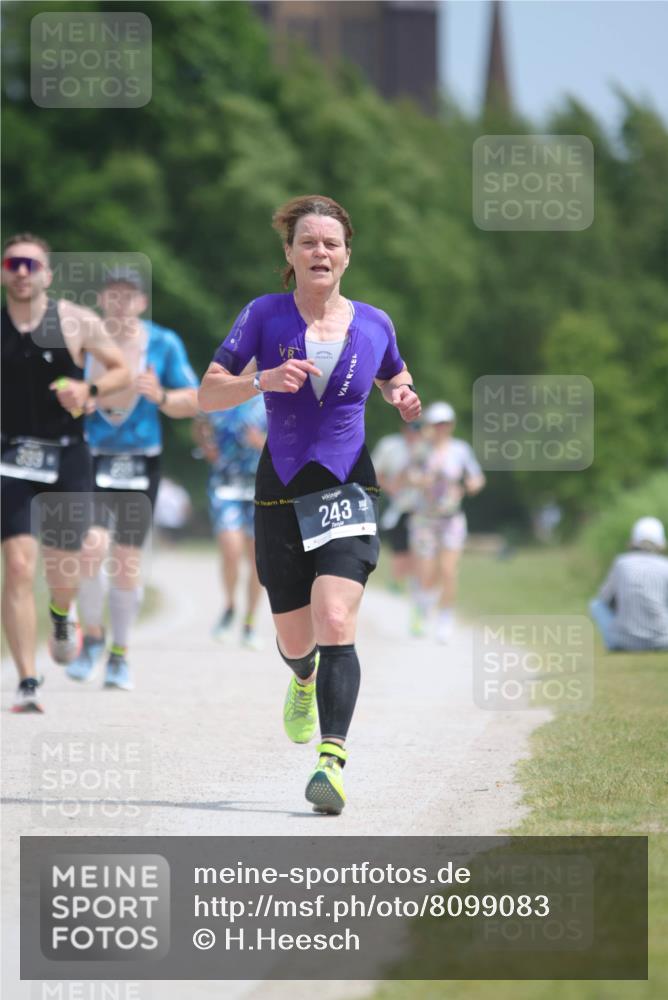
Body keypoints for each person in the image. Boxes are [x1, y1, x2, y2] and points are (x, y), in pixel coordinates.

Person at [199, 194, 421, 814]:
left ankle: (331, 762)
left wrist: (403, 396)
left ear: (347, 255)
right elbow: (208, 394)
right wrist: (261, 380)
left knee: (336, 617)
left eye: (331, 243)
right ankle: (302, 678)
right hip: (280, 485)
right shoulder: (263, 315)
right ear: (290, 254)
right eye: (307, 242)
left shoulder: (375, 322)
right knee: (297, 640)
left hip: (348, 485)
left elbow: (395, 375)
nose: (319, 251)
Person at [1, 233, 130, 712]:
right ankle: (27, 681)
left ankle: (61, 611)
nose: (21, 271)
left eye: (31, 264)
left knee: (64, 568)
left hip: (66, 455)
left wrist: (89, 390)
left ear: (47, 274)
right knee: (18, 566)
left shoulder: (76, 320)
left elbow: (120, 369)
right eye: (12, 263)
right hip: (10, 457)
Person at [65, 267, 199, 690]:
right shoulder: (84, 342)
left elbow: (193, 399)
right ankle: (93, 639)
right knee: (90, 549)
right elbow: (57, 390)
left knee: (126, 564)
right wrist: (75, 400)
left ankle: (120, 654)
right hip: (92, 457)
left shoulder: (163, 343)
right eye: (113, 294)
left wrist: (161, 396)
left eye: (129, 295)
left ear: (142, 302)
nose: (121, 303)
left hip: (141, 462)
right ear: (101, 299)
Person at [407, 401, 485, 643]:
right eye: (437, 423)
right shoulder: (422, 450)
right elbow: (411, 476)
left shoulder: (460, 450)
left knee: (449, 570)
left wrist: (471, 486)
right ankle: (423, 604)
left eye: (445, 423)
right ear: (430, 425)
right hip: (425, 518)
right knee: (427, 572)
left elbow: (477, 477)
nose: (441, 427)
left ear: (451, 425)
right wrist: (423, 480)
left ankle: (445, 617)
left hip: (452, 518)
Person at [195, 396, 267, 650]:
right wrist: (206, 444)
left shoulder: (270, 393)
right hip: (225, 483)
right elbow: (200, 421)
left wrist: (262, 443)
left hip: (260, 484)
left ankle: (250, 622)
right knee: (231, 551)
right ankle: (229, 606)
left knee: (258, 559)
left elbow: (290, 440)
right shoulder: (221, 391)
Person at [589, 516, 668, 651]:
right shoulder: (665, 565)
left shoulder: (622, 563)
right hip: (663, 641)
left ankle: (614, 641)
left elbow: (604, 599)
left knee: (595, 604)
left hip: (624, 642)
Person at [371, 421, 422, 592]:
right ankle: (397, 581)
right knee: (400, 546)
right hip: (396, 503)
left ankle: (415, 583)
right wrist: (390, 488)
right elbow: (376, 472)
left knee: (418, 547)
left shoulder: (427, 448)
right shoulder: (390, 446)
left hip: (422, 506)